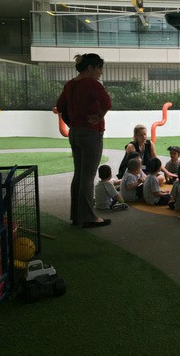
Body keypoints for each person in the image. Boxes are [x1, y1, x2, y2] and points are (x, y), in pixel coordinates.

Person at [56, 53, 112, 228]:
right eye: (99, 68)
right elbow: (107, 102)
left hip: (75, 133)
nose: (101, 72)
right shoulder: (91, 83)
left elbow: (60, 106)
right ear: (90, 68)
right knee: (88, 177)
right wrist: (100, 116)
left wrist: (72, 123)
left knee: (79, 175)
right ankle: (88, 217)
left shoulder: (70, 84)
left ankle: (76, 216)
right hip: (91, 134)